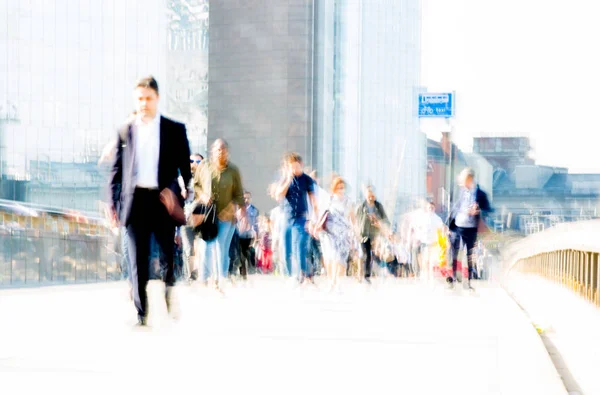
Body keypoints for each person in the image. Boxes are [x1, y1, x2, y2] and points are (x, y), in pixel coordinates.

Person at [109, 76, 192, 327]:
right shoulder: (125, 130)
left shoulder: (173, 129)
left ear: (157, 98)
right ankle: (141, 312)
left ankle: (168, 288)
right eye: (140, 99)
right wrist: (113, 203)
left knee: (168, 253)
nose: (144, 103)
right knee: (137, 259)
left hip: (162, 199)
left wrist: (186, 190)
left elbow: (185, 167)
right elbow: (116, 171)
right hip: (135, 203)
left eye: (149, 98)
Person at [193, 139, 245, 292]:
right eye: (217, 149)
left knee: (220, 246)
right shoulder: (204, 166)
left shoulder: (233, 170)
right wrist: (202, 196)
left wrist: (235, 209)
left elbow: (239, 194)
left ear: (227, 151)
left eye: (223, 149)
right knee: (207, 246)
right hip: (208, 215)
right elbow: (196, 185)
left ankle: (219, 279)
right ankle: (204, 279)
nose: (221, 152)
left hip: (225, 215)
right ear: (212, 151)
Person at [275, 153, 318, 284]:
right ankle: (290, 276)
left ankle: (302, 275)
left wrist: (313, 219)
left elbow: (313, 200)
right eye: (291, 167)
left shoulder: (307, 180)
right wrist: (288, 180)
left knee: (300, 246)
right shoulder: (285, 179)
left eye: (296, 166)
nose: (294, 169)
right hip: (287, 218)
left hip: (301, 218)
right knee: (286, 249)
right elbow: (278, 196)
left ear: (301, 165)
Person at [447, 168, 492, 290]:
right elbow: (452, 208)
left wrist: (478, 210)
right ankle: (452, 278)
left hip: (471, 228)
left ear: (470, 179)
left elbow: (488, 208)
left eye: (466, 180)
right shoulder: (458, 191)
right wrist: (447, 225)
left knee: (469, 254)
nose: (463, 183)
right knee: (454, 252)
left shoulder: (479, 193)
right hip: (457, 226)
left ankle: (469, 281)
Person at [319, 177, 355, 292]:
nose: (341, 190)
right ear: (334, 189)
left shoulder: (348, 201)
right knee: (331, 258)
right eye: (338, 188)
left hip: (344, 233)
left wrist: (355, 230)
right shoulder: (329, 200)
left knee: (341, 260)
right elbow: (321, 214)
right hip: (329, 233)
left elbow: (352, 217)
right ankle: (332, 281)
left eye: (342, 188)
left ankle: (336, 281)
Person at [356, 186, 389, 284]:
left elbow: (386, 220)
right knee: (364, 255)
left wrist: (378, 220)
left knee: (370, 256)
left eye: (373, 194)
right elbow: (356, 221)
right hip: (363, 235)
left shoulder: (379, 207)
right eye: (369, 194)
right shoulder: (361, 207)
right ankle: (362, 274)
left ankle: (366, 275)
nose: (371, 196)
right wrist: (356, 233)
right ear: (366, 195)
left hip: (374, 235)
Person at [180, 153, 204, 281]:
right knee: (188, 249)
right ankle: (190, 276)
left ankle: (201, 274)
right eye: (191, 161)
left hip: (201, 218)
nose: (194, 163)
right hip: (185, 219)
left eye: (198, 161)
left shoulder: (205, 180)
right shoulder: (181, 179)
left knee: (201, 248)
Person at [410, 200, 446, 282]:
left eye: (432, 207)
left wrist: (444, 230)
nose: (430, 209)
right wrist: (417, 238)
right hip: (424, 243)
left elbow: (442, 227)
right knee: (425, 260)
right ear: (427, 208)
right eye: (429, 207)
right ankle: (424, 275)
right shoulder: (423, 218)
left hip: (434, 243)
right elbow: (418, 228)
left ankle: (431, 276)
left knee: (432, 261)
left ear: (434, 208)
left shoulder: (437, 218)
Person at [236, 191, 259, 279]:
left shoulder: (254, 210)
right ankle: (243, 274)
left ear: (251, 199)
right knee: (241, 255)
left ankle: (250, 270)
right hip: (240, 235)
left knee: (248, 254)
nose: (246, 200)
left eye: (248, 198)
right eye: (244, 198)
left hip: (250, 236)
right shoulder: (238, 210)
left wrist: (256, 237)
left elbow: (256, 224)